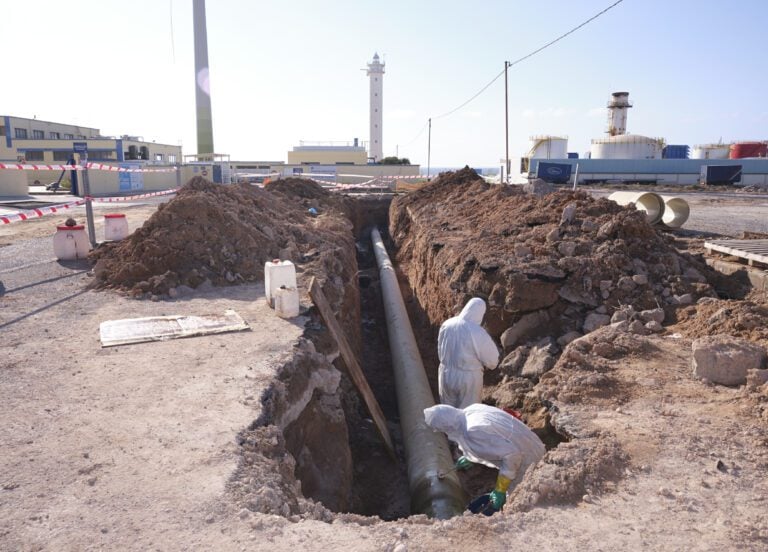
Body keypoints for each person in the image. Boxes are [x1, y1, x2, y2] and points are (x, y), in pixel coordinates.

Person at [424, 403, 546, 511]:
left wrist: (500, 489)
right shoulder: (471, 410)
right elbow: (493, 441)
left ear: (447, 426)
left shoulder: (473, 430)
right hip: (530, 443)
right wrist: (469, 456)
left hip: (527, 461)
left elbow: (512, 455)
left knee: (520, 499)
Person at [437, 297, 499, 408]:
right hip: (468, 378)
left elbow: (440, 347)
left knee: (448, 412)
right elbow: (492, 360)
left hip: (445, 373)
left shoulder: (447, 324)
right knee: (468, 414)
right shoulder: (476, 331)